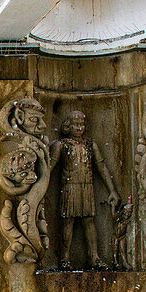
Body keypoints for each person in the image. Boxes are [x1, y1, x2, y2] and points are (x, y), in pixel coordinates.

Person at [49, 110, 120, 269]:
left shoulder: (90, 145)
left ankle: (93, 257)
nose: (79, 127)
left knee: (89, 222)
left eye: (81, 124)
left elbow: (101, 166)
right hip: (69, 187)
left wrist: (112, 190)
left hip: (86, 187)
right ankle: (64, 258)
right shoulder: (61, 145)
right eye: (75, 124)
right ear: (68, 125)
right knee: (68, 222)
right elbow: (50, 167)